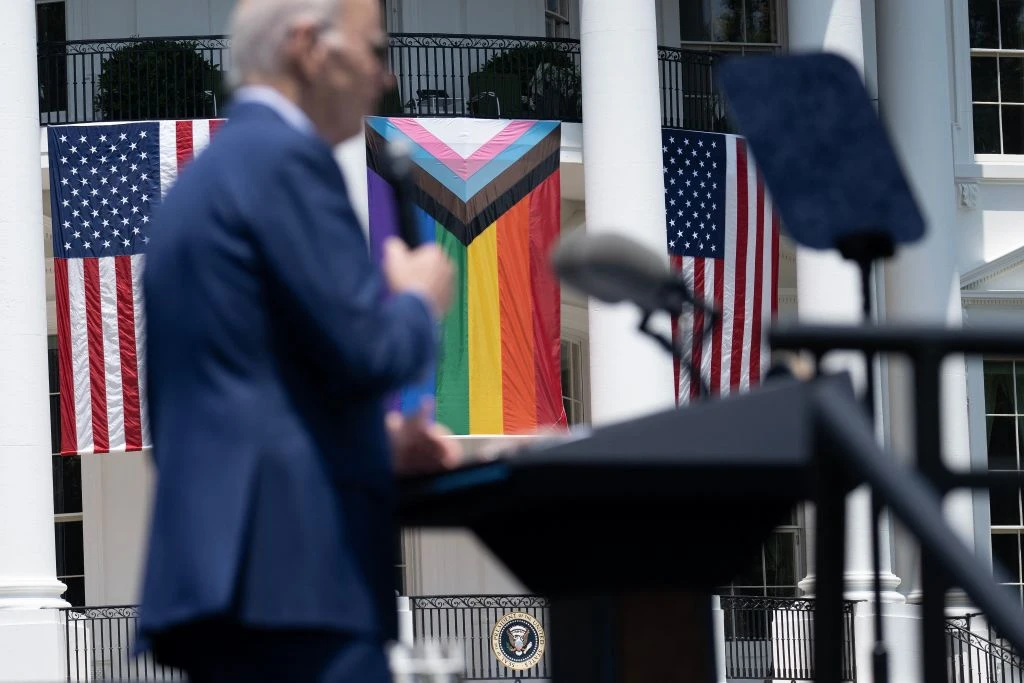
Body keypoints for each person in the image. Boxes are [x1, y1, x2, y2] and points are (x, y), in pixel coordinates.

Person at [136, 0, 460, 680]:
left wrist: (375, 445)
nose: (387, 78)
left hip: (225, 589)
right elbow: (371, 351)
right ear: (310, 46)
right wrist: (418, 298)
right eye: (377, 50)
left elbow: (231, 398)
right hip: (300, 583)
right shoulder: (287, 163)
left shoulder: (195, 186)